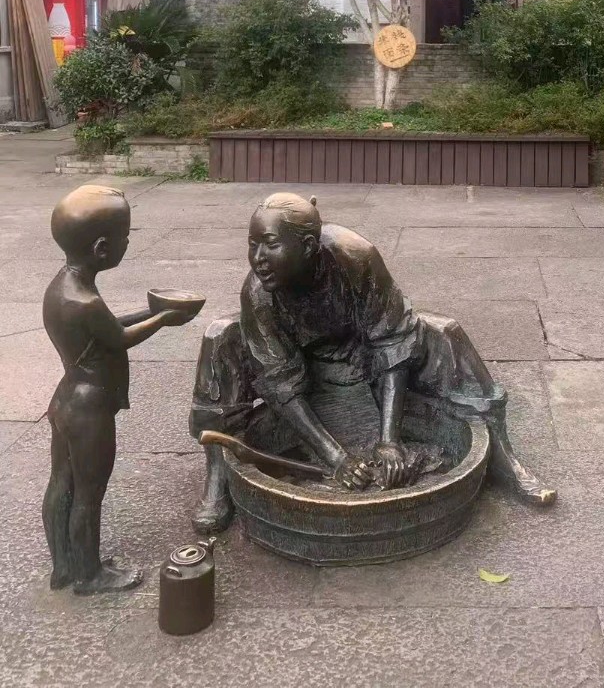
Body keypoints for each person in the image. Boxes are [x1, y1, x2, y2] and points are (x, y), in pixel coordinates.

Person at [190, 193, 556, 532]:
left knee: (446, 333)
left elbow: (392, 339)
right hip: (303, 366)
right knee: (219, 338)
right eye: (252, 244)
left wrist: (389, 442)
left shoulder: (355, 255)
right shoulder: (258, 292)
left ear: (308, 246)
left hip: (361, 353)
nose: (258, 258)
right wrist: (336, 458)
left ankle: (501, 457)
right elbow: (279, 382)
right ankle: (219, 474)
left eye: (271, 245)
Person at [42, 184, 198, 594]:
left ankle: (65, 566)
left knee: (61, 481)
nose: (128, 242)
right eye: (124, 237)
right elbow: (119, 338)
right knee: (89, 492)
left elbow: (106, 327)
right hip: (90, 407)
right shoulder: (87, 302)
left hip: (66, 399)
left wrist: (151, 310)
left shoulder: (63, 287)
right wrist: (163, 319)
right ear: (101, 248)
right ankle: (89, 575)